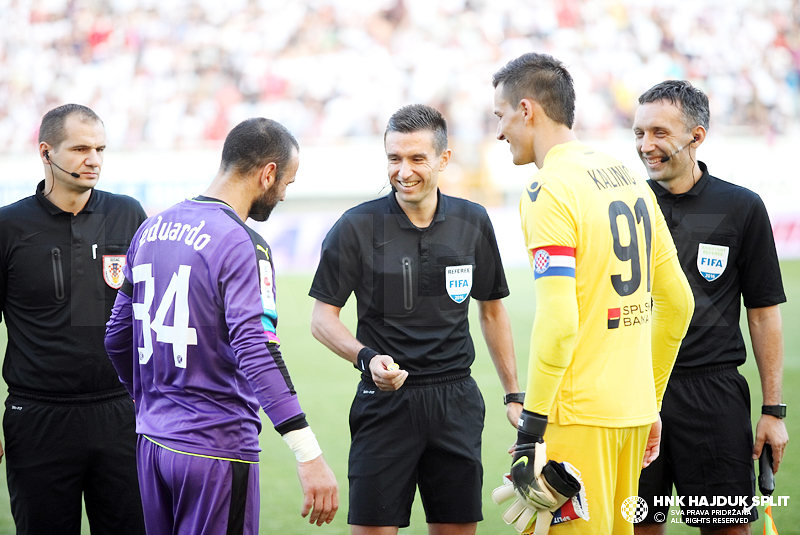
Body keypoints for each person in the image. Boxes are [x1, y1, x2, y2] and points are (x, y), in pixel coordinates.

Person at [103, 117, 339, 534]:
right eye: (287, 181)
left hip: (153, 443)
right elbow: (258, 349)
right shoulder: (243, 242)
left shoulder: (150, 228)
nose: (284, 194)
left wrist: (150, 402)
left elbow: (116, 337)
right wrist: (308, 453)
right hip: (216, 449)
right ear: (268, 173)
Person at [491, 53, 694, 534]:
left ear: (527, 110)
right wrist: (650, 402)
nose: (499, 132)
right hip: (631, 415)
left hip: (578, 417)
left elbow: (560, 322)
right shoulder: (626, 175)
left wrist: (530, 432)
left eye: (499, 116)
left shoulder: (549, 188)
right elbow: (679, 301)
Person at [308, 104, 521, 535]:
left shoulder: (472, 221)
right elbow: (321, 319)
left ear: (443, 159)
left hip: (455, 400)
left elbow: (492, 309)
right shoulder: (356, 226)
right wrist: (366, 357)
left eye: (416, 159)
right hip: (383, 405)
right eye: (394, 158)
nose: (403, 171)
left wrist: (513, 393)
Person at [633, 80, 789, 534]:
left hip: (713, 396)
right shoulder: (625, 206)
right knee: (638, 527)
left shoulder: (741, 206)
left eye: (659, 132)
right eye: (639, 133)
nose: (646, 145)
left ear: (696, 136)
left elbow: (763, 312)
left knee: (725, 528)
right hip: (637, 394)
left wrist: (773, 411)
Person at [0, 104, 147, 534]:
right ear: (45, 152)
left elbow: (149, 316)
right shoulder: (9, 226)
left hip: (122, 414)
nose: (94, 159)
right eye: (81, 148)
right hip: (38, 416)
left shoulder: (128, 214)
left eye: (100, 148)